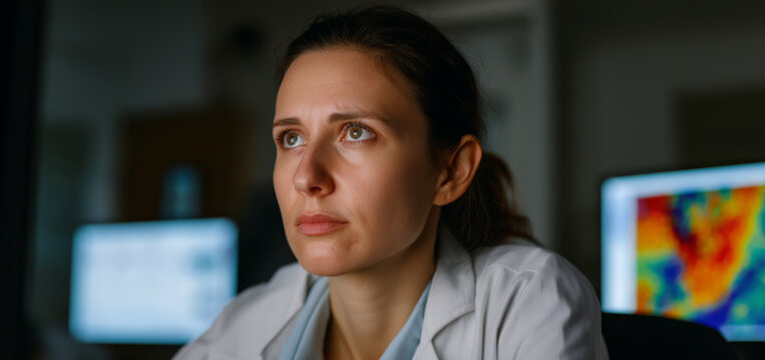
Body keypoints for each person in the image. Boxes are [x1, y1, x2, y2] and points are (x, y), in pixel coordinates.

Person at [175, 5, 608, 360]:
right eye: (291, 138)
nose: (307, 177)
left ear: (451, 171)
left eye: (356, 132)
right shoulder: (248, 323)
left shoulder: (528, 303)